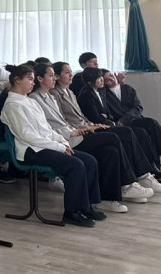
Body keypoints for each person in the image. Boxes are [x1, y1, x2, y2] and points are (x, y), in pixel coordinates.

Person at [0, 64, 105, 227]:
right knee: (75, 165)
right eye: (30, 79)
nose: (33, 83)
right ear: (17, 80)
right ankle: (72, 212)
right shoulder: (13, 104)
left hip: (44, 146)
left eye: (33, 79)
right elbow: (28, 136)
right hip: (30, 150)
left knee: (89, 161)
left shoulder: (30, 101)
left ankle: (86, 206)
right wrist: (59, 147)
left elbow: (47, 129)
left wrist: (62, 142)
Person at [29, 64, 146, 210]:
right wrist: (76, 131)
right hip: (65, 139)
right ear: (40, 78)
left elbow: (66, 121)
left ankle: (107, 197)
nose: (55, 79)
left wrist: (89, 126)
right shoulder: (35, 99)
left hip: (74, 133)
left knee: (111, 151)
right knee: (114, 138)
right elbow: (46, 128)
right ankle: (129, 183)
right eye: (51, 76)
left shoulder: (51, 96)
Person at [75, 68, 161, 194]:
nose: (102, 80)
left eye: (102, 77)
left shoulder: (99, 90)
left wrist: (108, 119)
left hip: (106, 123)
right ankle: (142, 175)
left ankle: (142, 175)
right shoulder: (86, 94)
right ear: (90, 82)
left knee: (139, 133)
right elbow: (95, 116)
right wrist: (109, 122)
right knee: (127, 132)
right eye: (99, 78)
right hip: (98, 127)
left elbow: (105, 112)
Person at [104, 71, 161, 166]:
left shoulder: (128, 89)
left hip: (134, 119)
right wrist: (121, 121)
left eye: (111, 75)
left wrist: (125, 118)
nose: (111, 79)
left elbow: (138, 107)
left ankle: (160, 164)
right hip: (120, 124)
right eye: (107, 79)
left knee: (151, 127)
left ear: (115, 75)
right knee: (150, 125)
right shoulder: (105, 94)